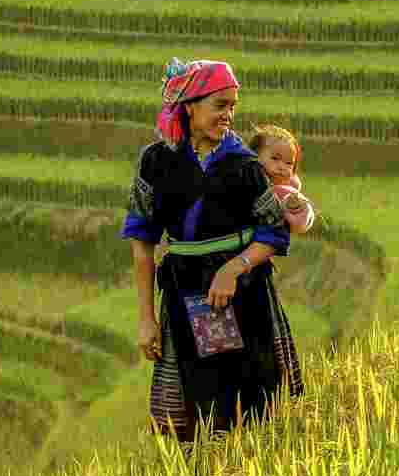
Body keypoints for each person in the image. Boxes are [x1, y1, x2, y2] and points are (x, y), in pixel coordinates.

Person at [122, 58, 304, 443]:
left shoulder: (244, 165)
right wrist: (145, 318)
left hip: (245, 294)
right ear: (190, 105)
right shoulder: (155, 162)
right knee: (200, 406)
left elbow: (273, 233)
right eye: (220, 105)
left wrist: (234, 269)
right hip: (187, 293)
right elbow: (143, 243)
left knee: (257, 398)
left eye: (233, 106)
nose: (229, 115)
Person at [247, 123, 317, 234]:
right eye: (275, 158)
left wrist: (297, 207)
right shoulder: (245, 180)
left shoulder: (286, 192)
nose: (282, 167)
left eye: (289, 163)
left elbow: (302, 221)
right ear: (254, 156)